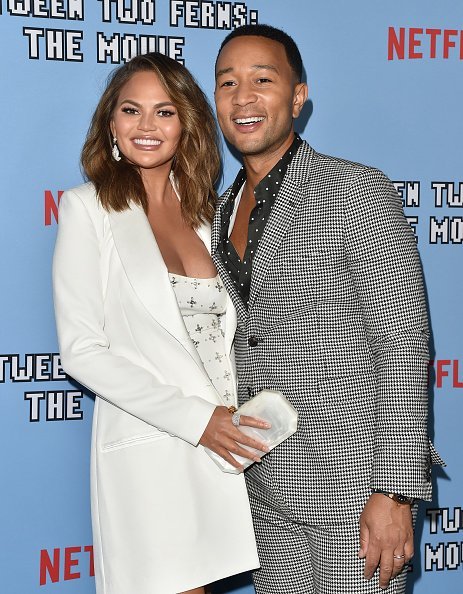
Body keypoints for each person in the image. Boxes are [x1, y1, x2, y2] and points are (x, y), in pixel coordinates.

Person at [208, 24, 444, 594]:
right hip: (261, 490)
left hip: (355, 493)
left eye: (262, 80)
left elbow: (403, 343)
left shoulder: (356, 190)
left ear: (297, 97)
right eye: (227, 83)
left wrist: (394, 491)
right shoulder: (217, 211)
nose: (243, 97)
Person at [52, 52, 271, 594]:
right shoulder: (88, 209)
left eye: (164, 111)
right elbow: (82, 351)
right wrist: (197, 419)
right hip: (153, 446)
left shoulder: (211, 214)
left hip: (228, 449)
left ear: (187, 125)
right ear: (111, 124)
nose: (146, 126)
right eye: (131, 110)